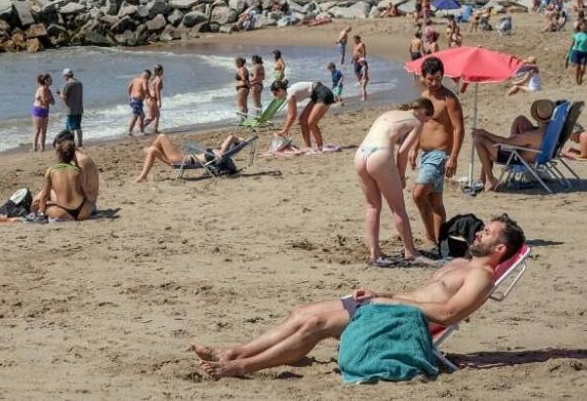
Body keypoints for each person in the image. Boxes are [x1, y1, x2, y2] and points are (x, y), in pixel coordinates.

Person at [190, 215, 525, 379]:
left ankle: (242, 366)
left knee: (316, 325)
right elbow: (427, 295)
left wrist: (390, 300)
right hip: (388, 305)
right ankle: (238, 349)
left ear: (499, 249)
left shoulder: (481, 277)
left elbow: (449, 313)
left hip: (402, 319)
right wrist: (384, 293)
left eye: (488, 232)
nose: (479, 231)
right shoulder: (461, 263)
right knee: (301, 313)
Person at [354, 99, 434, 266]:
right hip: (380, 155)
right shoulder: (416, 122)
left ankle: (374, 253)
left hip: (361, 154)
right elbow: (403, 152)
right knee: (398, 208)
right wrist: (401, 175)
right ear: (422, 112)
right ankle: (410, 251)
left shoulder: (389, 113)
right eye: (427, 118)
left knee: (372, 206)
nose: (425, 122)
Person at [411, 57, 463, 250]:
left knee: (418, 194)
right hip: (425, 155)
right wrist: (414, 148)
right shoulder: (423, 98)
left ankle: (430, 238)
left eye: (439, 79)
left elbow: (459, 129)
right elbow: (419, 125)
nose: (435, 83)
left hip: (440, 155)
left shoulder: (448, 99)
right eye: (431, 79)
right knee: (435, 200)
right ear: (423, 77)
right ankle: (441, 241)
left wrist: (454, 157)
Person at [471, 99, 554, 191]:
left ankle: (490, 179)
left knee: (480, 141)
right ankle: (483, 179)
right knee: (520, 119)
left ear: (537, 116)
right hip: (534, 152)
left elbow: (505, 141)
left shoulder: (532, 136)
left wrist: (485, 133)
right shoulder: (550, 130)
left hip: (516, 156)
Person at [135, 133, 246, 182]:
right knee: (153, 150)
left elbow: (231, 137)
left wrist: (239, 140)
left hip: (182, 160)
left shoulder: (219, 154)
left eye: (225, 144)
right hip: (183, 159)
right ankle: (142, 176)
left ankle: (143, 173)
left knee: (161, 136)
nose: (223, 143)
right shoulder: (218, 154)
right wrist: (237, 142)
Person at [31, 135, 93, 221]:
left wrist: (41, 211)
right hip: (83, 211)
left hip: (64, 213)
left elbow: (45, 195)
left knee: (37, 205)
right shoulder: (78, 170)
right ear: (73, 155)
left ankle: (43, 212)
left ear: (58, 154)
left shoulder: (51, 170)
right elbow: (83, 192)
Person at [272, 79, 336, 153]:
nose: (275, 97)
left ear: (280, 90)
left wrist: (285, 130)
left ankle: (320, 147)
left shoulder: (290, 94)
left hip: (323, 93)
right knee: (302, 119)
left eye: (275, 94)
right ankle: (308, 147)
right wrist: (286, 129)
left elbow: (292, 115)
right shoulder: (289, 93)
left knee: (311, 123)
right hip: (316, 95)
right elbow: (290, 114)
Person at [54, 130, 99, 210]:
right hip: (85, 203)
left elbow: (80, 190)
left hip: (87, 205)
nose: (57, 155)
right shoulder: (79, 159)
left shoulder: (81, 161)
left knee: (49, 193)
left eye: (58, 151)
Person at [57, 69, 84, 148]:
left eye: (64, 76)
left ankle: (71, 144)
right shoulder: (79, 83)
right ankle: (80, 143)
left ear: (66, 76)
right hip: (79, 108)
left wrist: (59, 94)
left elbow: (64, 97)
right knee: (78, 126)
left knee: (71, 128)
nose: (64, 78)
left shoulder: (69, 84)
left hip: (71, 109)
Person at [30, 73, 54, 151]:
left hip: (46, 110)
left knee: (44, 130)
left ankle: (42, 148)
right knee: (37, 130)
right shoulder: (41, 89)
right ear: (45, 81)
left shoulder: (48, 90)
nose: (51, 80)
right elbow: (44, 101)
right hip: (38, 110)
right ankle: (34, 148)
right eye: (50, 79)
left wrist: (49, 99)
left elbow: (53, 102)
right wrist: (49, 99)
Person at [569, 20, 587, 85]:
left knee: (583, 69)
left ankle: (581, 78)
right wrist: (570, 53)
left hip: (585, 52)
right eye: (584, 26)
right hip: (577, 52)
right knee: (577, 68)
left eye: (586, 26)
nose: (585, 27)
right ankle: (577, 82)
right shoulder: (577, 34)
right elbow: (574, 43)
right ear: (580, 26)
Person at [128, 69, 150, 136]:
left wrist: (129, 95)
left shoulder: (135, 79)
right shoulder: (144, 80)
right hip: (137, 101)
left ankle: (141, 130)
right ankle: (130, 131)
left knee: (141, 116)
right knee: (136, 116)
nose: (148, 79)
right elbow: (145, 88)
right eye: (148, 77)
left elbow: (129, 86)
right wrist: (147, 95)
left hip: (132, 99)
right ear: (147, 76)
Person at [144, 64, 164, 133]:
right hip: (153, 99)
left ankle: (155, 129)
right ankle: (141, 127)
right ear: (160, 71)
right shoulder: (158, 79)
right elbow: (157, 91)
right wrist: (159, 101)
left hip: (149, 99)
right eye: (162, 70)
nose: (163, 71)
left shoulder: (152, 79)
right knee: (152, 117)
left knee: (157, 115)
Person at [350, 35, 369, 100]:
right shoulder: (355, 44)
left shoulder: (361, 44)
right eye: (354, 40)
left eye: (355, 40)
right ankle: (360, 81)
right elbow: (354, 52)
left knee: (363, 70)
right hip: (356, 60)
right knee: (356, 71)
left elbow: (364, 52)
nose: (354, 41)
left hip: (361, 60)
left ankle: (363, 80)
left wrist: (363, 59)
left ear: (358, 39)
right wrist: (352, 59)